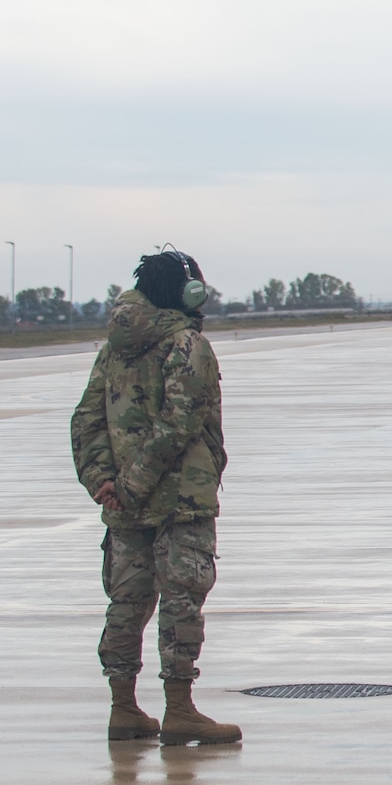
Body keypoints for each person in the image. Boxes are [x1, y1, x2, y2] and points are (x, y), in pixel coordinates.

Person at [70, 250, 240, 745]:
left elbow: (86, 420)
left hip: (125, 507)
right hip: (179, 501)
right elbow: (179, 423)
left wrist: (103, 482)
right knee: (181, 600)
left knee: (127, 600)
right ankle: (179, 710)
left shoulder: (114, 349)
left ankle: (122, 707)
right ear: (188, 292)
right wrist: (130, 485)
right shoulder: (187, 345)